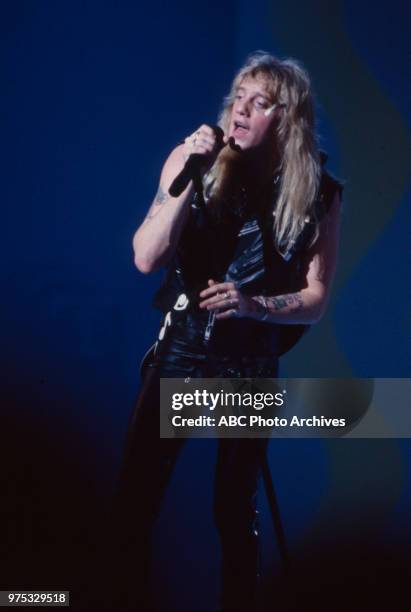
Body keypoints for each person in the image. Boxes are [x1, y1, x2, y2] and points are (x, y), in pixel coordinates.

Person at [111, 51, 343, 612]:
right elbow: (145, 258)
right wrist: (190, 173)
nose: (239, 110)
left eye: (258, 103)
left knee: (234, 508)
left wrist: (255, 304)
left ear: (286, 119)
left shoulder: (320, 194)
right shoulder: (195, 161)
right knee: (138, 497)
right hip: (186, 350)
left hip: (250, 362)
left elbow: (314, 299)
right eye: (237, 97)